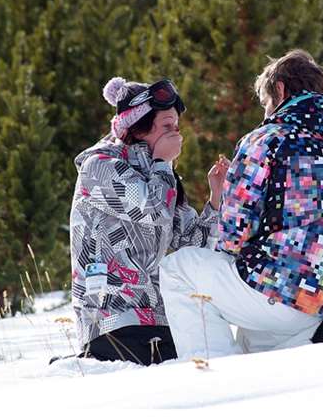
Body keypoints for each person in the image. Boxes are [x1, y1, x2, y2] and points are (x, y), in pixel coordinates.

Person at [159, 49, 323, 359]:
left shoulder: (267, 139)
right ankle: (309, 343)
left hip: (279, 290)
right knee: (257, 348)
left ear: (281, 90)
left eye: (266, 103)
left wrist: (229, 194)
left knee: (179, 268)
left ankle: (213, 381)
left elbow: (233, 235)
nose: (266, 112)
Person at [69, 76, 229, 366]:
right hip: (111, 324)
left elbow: (193, 243)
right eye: (167, 127)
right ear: (140, 129)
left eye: (177, 127)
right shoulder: (100, 167)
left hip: (161, 318)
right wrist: (163, 163)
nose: (176, 136)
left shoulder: (158, 174)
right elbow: (153, 212)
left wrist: (216, 199)